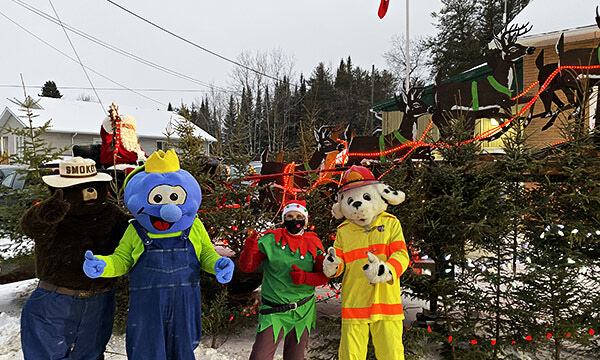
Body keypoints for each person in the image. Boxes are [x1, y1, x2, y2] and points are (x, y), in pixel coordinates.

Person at [83, 149, 234, 360]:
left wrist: (218, 264)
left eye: (174, 197)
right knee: (147, 354)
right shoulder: (135, 230)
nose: (168, 208)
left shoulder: (195, 226)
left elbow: (206, 254)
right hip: (147, 311)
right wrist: (103, 266)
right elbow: (122, 260)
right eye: (158, 198)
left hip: (184, 307)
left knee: (182, 353)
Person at [20, 157, 130, 360]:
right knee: (46, 354)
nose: (90, 193)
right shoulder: (56, 215)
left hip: (100, 300)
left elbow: (131, 239)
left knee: (92, 354)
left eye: (93, 186)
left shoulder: (110, 213)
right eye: (79, 187)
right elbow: (31, 226)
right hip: (56, 300)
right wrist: (46, 212)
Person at [323, 165, 409, 360]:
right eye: (351, 200)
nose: (358, 206)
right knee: (350, 355)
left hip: (386, 303)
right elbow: (339, 262)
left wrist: (386, 270)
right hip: (354, 304)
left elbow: (402, 255)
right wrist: (332, 266)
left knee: (391, 355)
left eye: (366, 197)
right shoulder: (343, 231)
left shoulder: (391, 223)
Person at [239, 200, 329, 360]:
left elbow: (324, 276)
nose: (294, 220)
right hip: (274, 311)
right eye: (290, 216)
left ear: (306, 221)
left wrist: (305, 277)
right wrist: (249, 249)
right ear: (283, 219)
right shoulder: (270, 240)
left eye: (299, 216)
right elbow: (247, 267)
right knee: (260, 356)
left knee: (295, 357)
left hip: (303, 310)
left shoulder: (314, 243)